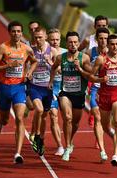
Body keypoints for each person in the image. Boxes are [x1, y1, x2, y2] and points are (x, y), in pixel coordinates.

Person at [0, 21, 37, 164]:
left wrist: (29, 71)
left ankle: (17, 153)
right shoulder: (3, 48)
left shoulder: (27, 49)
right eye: (13, 31)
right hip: (4, 88)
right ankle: (0, 120)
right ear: (9, 32)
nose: (16, 34)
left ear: (22, 33)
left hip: (19, 88)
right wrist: (8, 65)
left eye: (18, 31)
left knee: (20, 118)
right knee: (5, 119)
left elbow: (34, 61)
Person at [88, 34, 117, 166]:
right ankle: (111, 139)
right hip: (104, 96)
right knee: (106, 126)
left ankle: (115, 155)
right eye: (112, 44)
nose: (115, 46)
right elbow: (91, 76)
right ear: (108, 45)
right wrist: (101, 80)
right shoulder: (101, 60)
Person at [49, 31, 92, 161]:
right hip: (65, 93)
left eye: (75, 42)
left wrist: (80, 69)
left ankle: (71, 140)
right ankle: (67, 147)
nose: (73, 45)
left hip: (79, 94)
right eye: (70, 42)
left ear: (78, 44)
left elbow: (89, 75)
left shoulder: (84, 58)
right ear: (66, 43)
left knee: (75, 123)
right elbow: (53, 68)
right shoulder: (60, 58)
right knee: (67, 118)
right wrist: (51, 81)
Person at [29, 26, 57, 156]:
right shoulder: (31, 51)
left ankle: (40, 138)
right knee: (38, 110)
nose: (38, 40)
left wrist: (50, 62)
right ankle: (36, 134)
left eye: (40, 37)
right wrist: (27, 73)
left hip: (47, 88)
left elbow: (60, 70)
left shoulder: (53, 51)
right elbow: (25, 65)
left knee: (44, 117)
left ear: (46, 37)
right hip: (35, 86)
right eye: (36, 38)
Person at [78, 15, 109, 128]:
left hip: (106, 79)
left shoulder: (111, 42)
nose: (101, 27)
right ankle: (94, 115)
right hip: (91, 76)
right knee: (95, 103)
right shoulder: (88, 40)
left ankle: (97, 117)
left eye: (104, 25)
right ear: (95, 26)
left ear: (107, 26)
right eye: (99, 26)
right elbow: (78, 52)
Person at [86, 27, 110, 161]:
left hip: (110, 91)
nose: (103, 41)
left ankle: (101, 137)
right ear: (96, 39)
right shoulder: (90, 52)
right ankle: (102, 150)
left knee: (107, 123)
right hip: (95, 88)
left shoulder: (113, 53)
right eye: (101, 38)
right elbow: (87, 69)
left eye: (106, 38)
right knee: (98, 117)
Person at [47, 28, 67, 156]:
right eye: (52, 39)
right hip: (51, 87)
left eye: (57, 39)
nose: (55, 42)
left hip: (65, 87)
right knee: (53, 116)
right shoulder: (45, 53)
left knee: (67, 117)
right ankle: (60, 146)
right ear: (48, 40)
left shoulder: (66, 53)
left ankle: (68, 143)